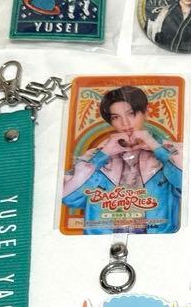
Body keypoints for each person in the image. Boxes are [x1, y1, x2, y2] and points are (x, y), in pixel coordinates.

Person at [61, 85, 183, 234]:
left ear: (146, 111)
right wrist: (103, 155)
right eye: (116, 117)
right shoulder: (95, 156)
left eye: (131, 113)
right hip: (101, 242)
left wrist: (157, 148)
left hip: (157, 241)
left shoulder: (174, 152)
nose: (125, 123)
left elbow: (187, 186)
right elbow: (69, 197)